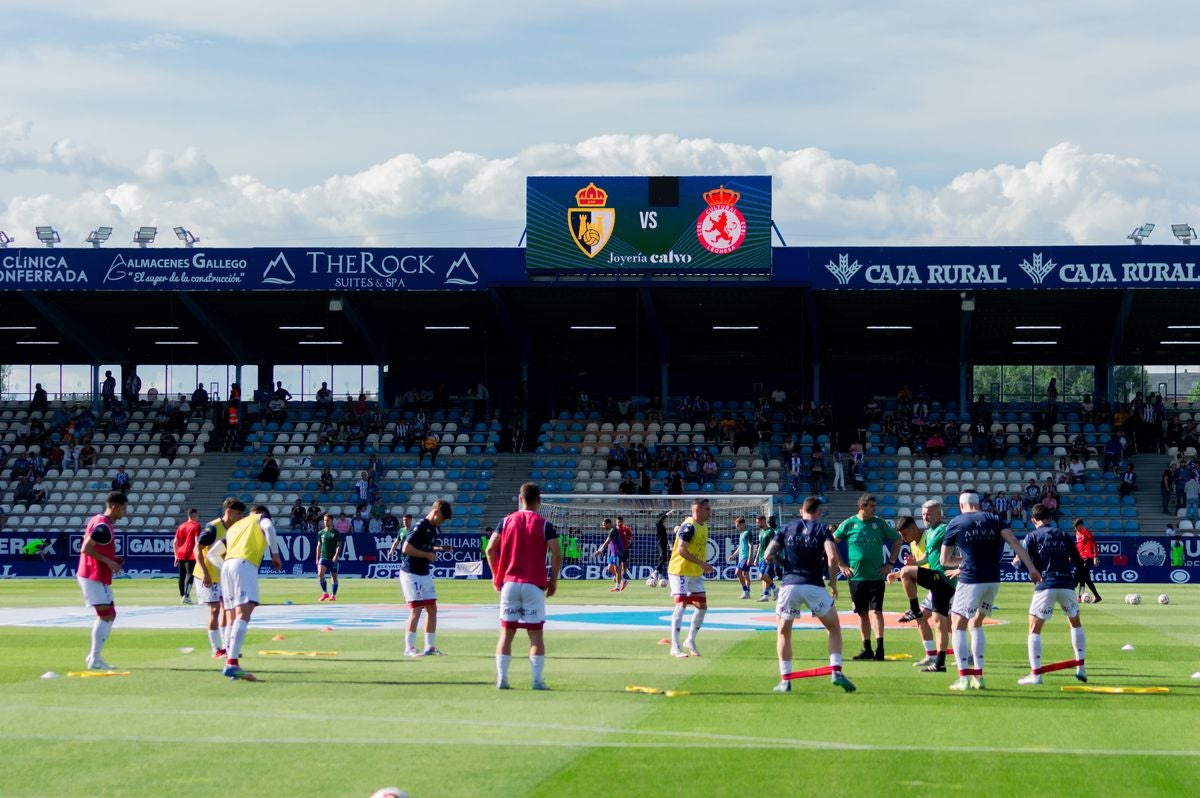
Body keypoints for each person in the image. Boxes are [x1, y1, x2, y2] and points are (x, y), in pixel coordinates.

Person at [941, 491, 1042, 691]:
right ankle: (979, 676)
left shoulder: (957, 522)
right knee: (976, 624)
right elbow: (1015, 543)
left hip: (971, 579)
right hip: (993, 580)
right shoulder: (995, 519)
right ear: (978, 504)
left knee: (958, 624)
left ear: (962, 506)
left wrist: (963, 563)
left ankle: (964, 679)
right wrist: (1031, 568)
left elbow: (944, 561)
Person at [765, 496, 856, 693]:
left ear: (801, 511)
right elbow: (832, 556)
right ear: (819, 512)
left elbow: (768, 556)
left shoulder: (786, 528)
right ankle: (836, 671)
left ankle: (785, 680)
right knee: (833, 628)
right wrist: (832, 581)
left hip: (789, 586)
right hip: (814, 585)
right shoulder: (822, 530)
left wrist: (785, 565)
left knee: (783, 632)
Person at [486, 482, 562, 690]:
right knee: (535, 634)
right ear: (539, 500)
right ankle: (537, 681)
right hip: (533, 585)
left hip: (510, 584)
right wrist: (553, 580)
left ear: (520, 499)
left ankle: (502, 679)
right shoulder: (545, 524)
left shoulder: (505, 521)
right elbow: (557, 553)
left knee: (506, 633)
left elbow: (490, 549)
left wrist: (496, 576)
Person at [205, 506, 284, 681]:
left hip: (226, 567)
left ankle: (230, 659)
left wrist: (227, 566)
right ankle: (232, 664)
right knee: (243, 614)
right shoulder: (260, 518)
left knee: (232, 615)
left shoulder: (236, 526)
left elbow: (212, 554)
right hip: (244, 564)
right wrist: (275, 555)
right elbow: (269, 528)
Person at [1015, 504, 1088, 685]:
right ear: (1050, 518)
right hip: (1066, 585)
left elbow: (1021, 564)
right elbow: (1079, 562)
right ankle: (1081, 667)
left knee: (1034, 629)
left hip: (1045, 585)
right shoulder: (1064, 535)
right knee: (1075, 623)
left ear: (1033, 520)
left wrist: (1016, 562)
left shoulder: (1032, 536)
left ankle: (1036, 675)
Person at [834, 494, 903, 661]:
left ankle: (880, 648)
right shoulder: (849, 523)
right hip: (856, 577)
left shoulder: (878, 523)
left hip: (876, 577)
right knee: (862, 614)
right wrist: (841, 565)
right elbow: (832, 542)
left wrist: (890, 563)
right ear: (862, 507)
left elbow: (898, 539)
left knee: (877, 611)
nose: (874, 508)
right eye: (871, 506)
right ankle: (867, 649)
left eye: (874, 505)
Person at [890, 502, 957, 672]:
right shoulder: (931, 533)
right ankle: (938, 661)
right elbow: (928, 557)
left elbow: (958, 547)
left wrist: (960, 568)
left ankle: (914, 609)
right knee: (940, 622)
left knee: (906, 572)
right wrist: (915, 564)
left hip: (943, 578)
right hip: (938, 584)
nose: (925, 517)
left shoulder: (943, 529)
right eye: (923, 514)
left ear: (938, 514)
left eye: (928, 514)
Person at [77, 492, 128, 670]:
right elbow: (86, 548)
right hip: (93, 574)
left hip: (97, 574)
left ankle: (94, 656)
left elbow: (96, 548)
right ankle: (94, 659)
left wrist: (112, 559)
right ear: (114, 507)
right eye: (123, 508)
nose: (125, 512)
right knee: (105, 615)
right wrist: (109, 562)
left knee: (110, 614)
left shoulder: (100, 522)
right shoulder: (103, 526)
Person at [399, 499, 453, 656]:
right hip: (411, 573)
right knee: (416, 609)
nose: (442, 522)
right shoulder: (420, 526)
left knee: (432, 608)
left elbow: (425, 547)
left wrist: (440, 548)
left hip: (424, 572)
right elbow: (406, 548)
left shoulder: (433, 528)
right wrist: (427, 555)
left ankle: (429, 646)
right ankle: (409, 648)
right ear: (435, 512)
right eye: (442, 518)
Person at [194, 499, 246, 659]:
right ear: (229, 512)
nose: (240, 517)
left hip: (224, 576)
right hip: (207, 575)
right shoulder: (213, 527)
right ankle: (215, 649)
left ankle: (226, 647)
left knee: (227, 610)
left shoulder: (236, 529)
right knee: (215, 609)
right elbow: (197, 549)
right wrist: (206, 573)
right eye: (238, 514)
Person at [666, 497, 716, 658]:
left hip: (694, 572)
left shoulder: (704, 526)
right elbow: (681, 550)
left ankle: (690, 640)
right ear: (698, 509)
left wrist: (700, 565)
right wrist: (703, 563)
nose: (710, 512)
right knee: (681, 605)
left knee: (702, 607)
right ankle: (675, 646)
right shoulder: (689, 526)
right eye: (707, 509)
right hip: (680, 570)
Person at [172, 509, 201, 605]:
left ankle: (182, 596)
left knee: (182, 575)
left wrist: (176, 555)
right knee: (190, 574)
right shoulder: (196, 526)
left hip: (181, 553)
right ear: (194, 515)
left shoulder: (181, 526)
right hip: (191, 553)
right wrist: (199, 553)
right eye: (197, 515)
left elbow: (175, 542)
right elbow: (197, 541)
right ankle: (186, 596)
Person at [1072, 518, 1102, 603]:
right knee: (1084, 578)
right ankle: (1094, 596)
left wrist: (1095, 558)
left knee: (1080, 578)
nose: (1076, 529)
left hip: (1087, 558)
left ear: (1081, 525)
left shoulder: (1087, 533)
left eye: (1077, 527)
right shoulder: (1077, 533)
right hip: (1079, 558)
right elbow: (1078, 546)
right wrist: (1073, 555)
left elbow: (1094, 545)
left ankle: (1077, 597)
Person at [592, 518, 625, 592]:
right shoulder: (611, 530)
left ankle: (617, 587)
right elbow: (608, 540)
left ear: (609, 523)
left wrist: (599, 551)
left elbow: (607, 542)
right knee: (609, 568)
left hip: (618, 552)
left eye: (604, 525)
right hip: (614, 553)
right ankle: (623, 580)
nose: (604, 527)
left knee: (617, 569)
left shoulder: (613, 530)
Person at [316, 512, 343, 602]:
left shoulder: (336, 533)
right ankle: (325, 593)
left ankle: (333, 595)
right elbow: (319, 546)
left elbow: (339, 545)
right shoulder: (321, 533)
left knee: (334, 576)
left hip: (332, 558)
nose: (326, 522)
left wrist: (336, 555)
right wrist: (317, 558)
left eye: (327, 520)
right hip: (323, 557)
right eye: (324, 520)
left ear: (331, 521)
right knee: (320, 574)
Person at [730, 516, 755, 599]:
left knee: (737, 572)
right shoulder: (741, 534)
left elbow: (751, 546)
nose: (737, 527)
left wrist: (749, 558)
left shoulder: (748, 533)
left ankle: (745, 591)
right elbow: (740, 547)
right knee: (745, 575)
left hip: (745, 557)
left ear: (742, 524)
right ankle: (748, 593)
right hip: (741, 557)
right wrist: (733, 555)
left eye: (738, 525)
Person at [755, 514, 778, 602]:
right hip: (761, 557)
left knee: (762, 576)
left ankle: (776, 590)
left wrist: (772, 555)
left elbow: (775, 544)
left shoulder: (770, 531)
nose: (757, 524)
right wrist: (756, 557)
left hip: (767, 557)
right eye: (757, 522)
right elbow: (760, 545)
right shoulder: (761, 532)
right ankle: (765, 595)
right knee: (765, 577)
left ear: (763, 521)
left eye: (758, 522)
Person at [649, 510, 674, 586]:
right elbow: (660, 520)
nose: (665, 520)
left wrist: (669, 544)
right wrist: (667, 514)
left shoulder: (662, 525)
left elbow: (665, 536)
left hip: (664, 543)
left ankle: (660, 575)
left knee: (662, 559)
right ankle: (655, 572)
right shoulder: (658, 523)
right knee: (663, 558)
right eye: (664, 518)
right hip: (660, 544)